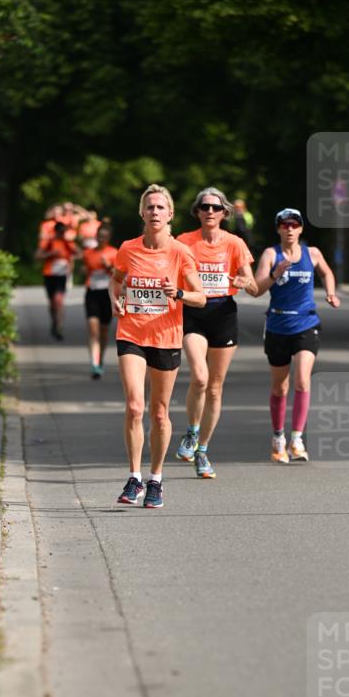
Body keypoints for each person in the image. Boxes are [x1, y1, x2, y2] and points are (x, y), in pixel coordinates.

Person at [109, 184, 205, 508]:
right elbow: (116, 279)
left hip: (165, 337)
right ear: (142, 212)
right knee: (136, 406)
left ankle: (156, 479)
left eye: (160, 208)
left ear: (170, 214)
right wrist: (115, 300)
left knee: (160, 413)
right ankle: (134, 476)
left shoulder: (180, 252)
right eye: (149, 207)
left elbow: (200, 296)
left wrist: (177, 293)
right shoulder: (128, 248)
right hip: (132, 333)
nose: (154, 213)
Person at [174, 187, 255, 478]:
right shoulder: (184, 241)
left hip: (223, 313)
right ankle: (192, 433)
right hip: (193, 312)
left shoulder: (234, 243)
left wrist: (245, 280)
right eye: (205, 206)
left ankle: (203, 450)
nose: (210, 211)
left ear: (225, 213)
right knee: (200, 377)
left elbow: (254, 286)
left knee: (216, 386)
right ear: (197, 211)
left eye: (216, 207)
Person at [251, 208, 340, 463]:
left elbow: (326, 272)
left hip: (306, 323)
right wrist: (275, 274)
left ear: (300, 229)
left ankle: (297, 439)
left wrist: (331, 293)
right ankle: (278, 437)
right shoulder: (271, 254)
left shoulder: (312, 253)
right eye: (284, 225)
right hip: (278, 325)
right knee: (280, 386)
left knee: (302, 380)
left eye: (294, 224)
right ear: (278, 229)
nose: (289, 229)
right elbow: (257, 290)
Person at [82, 223, 117, 378]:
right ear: (95, 236)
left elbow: (119, 274)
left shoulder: (114, 253)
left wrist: (109, 266)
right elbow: (86, 270)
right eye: (99, 236)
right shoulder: (88, 253)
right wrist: (85, 271)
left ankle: (100, 359)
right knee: (93, 330)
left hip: (107, 294)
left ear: (108, 238)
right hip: (92, 292)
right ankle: (94, 364)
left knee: (103, 331)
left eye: (105, 237)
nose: (101, 239)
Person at [35, 220, 78, 340]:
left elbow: (79, 253)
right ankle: (54, 321)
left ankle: (59, 327)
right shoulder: (48, 242)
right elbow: (37, 256)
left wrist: (72, 256)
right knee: (52, 302)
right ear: (56, 232)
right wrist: (50, 254)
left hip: (62, 275)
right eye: (60, 232)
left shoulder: (67, 242)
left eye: (64, 232)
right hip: (49, 274)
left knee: (58, 300)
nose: (62, 234)